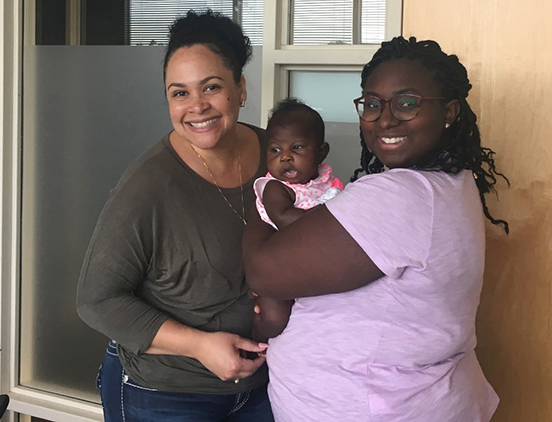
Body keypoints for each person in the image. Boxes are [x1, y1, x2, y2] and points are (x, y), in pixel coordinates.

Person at [243, 36, 509, 422]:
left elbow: (263, 270)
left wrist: (264, 195)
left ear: (449, 112)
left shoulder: (401, 196)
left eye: (407, 102)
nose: (385, 118)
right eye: (372, 104)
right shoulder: (450, 181)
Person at [77, 10, 274, 422]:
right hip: (167, 392)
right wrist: (199, 346)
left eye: (212, 87)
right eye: (179, 93)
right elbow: (97, 301)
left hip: (266, 384)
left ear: (240, 88)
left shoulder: (276, 153)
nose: (197, 107)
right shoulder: (149, 186)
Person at [251, 98, 344, 340]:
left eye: (297, 148)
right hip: (277, 268)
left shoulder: (325, 181)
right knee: (275, 318)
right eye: (276, 150)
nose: (285, 157)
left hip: (309, 265)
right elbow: (283, 218)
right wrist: (327, 216)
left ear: (321, 152)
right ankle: (256, 341)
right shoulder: (275, 187)